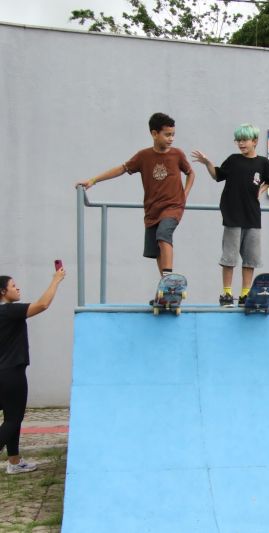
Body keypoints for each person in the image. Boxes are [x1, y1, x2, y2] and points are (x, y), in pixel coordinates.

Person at [76, 113, 195, 281]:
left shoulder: (177, 155)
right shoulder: (143, 156)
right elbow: (121, 169)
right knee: (156, 250)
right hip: (152, 210)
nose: (171, 139)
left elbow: (191, 173)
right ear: (154, 134)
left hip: (173, 206)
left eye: (173, 135)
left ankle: (169, 280)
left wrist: (185, 194)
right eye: (167, 135)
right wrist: (93, 180)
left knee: (163, 235)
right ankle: (166, 287)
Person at [191, 124, 269, 307]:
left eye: (244, 140)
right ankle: (227, 293)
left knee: (250, 258)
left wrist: (261, 190)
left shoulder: (263, 163)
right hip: (233, 214)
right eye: (238, 140)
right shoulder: (233, 160)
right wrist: (207, 163)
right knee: (229, 258)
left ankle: (246, 294)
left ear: (255, 141)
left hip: (252, 216)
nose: (241, 144)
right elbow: (217, 175)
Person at [0, 268, 65, 474]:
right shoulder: (9, 311)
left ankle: (14, 462)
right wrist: (56, 280)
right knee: (13, 419)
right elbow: (42, 304)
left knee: (12, 417)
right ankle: (13, 462)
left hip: (4, 372)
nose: (17, 287)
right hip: (12, 373)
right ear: (3, 292)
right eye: (13, 285)